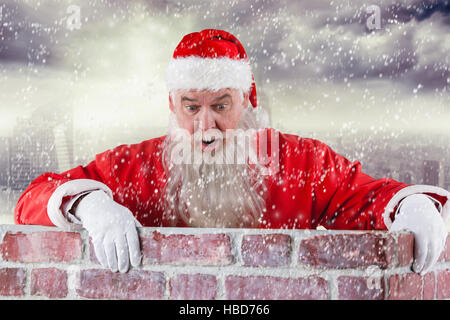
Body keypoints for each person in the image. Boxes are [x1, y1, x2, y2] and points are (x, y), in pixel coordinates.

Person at [15, 29, 449, 274]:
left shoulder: (298, 163)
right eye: (191, 108)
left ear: (247, 101)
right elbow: (35, 197)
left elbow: (364, 196)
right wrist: (88, 204)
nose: (206, 129)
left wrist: (411, 204)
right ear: (172, 106)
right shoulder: (140, 167)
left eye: (221, 106)